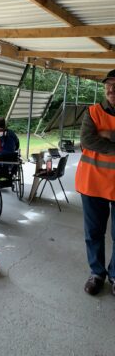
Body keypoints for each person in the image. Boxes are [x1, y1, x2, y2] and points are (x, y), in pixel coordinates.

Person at [78, 69, 115, 296]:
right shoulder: (93, 112)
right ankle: (97, 274)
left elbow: (98, 140)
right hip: (92, 183)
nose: (111, 89)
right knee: (93, 232)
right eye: (108, 85)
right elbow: (88, 140)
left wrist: (107, 138)